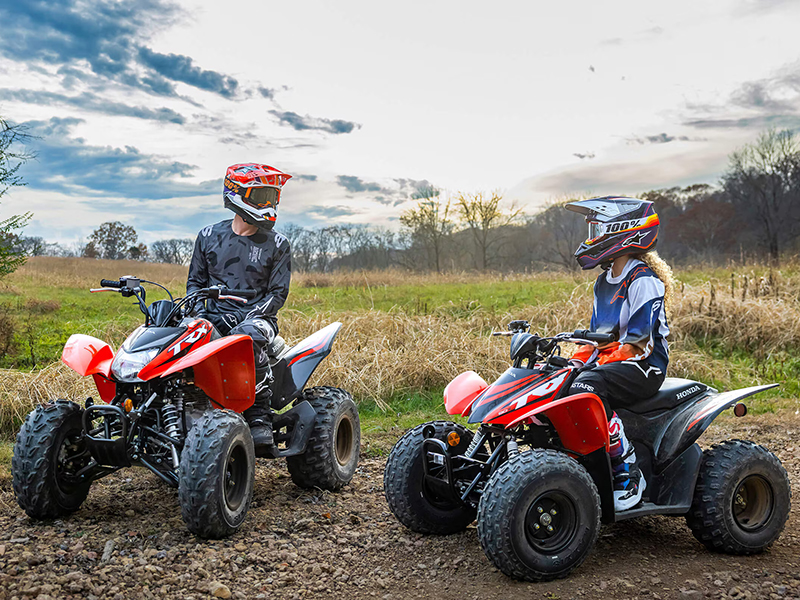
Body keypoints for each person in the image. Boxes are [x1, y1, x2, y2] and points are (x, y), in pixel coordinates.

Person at [564, 196, 673, 511]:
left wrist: (588, 370)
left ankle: (627, 471)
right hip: (613, 364)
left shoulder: (645, 281)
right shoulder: (602, 283)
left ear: (624, 231)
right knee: (559, 381)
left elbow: (639, 343)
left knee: (586, 386)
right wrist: (570, 364)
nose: (592, 236)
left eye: (598, 229)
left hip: (645, 366)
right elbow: (595, 339)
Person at [187, 163, 293, 449]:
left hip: (259, 319)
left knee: (247, 336)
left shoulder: (279, 243)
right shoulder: (208, 236)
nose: (269, 203)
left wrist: (243, 317)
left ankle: (259, 417)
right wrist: (199, 316)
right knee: (177, 333)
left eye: (273, 196)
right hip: (211, 315)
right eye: (262, 196)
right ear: (236, 194)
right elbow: (195, 285)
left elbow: (277, 294)